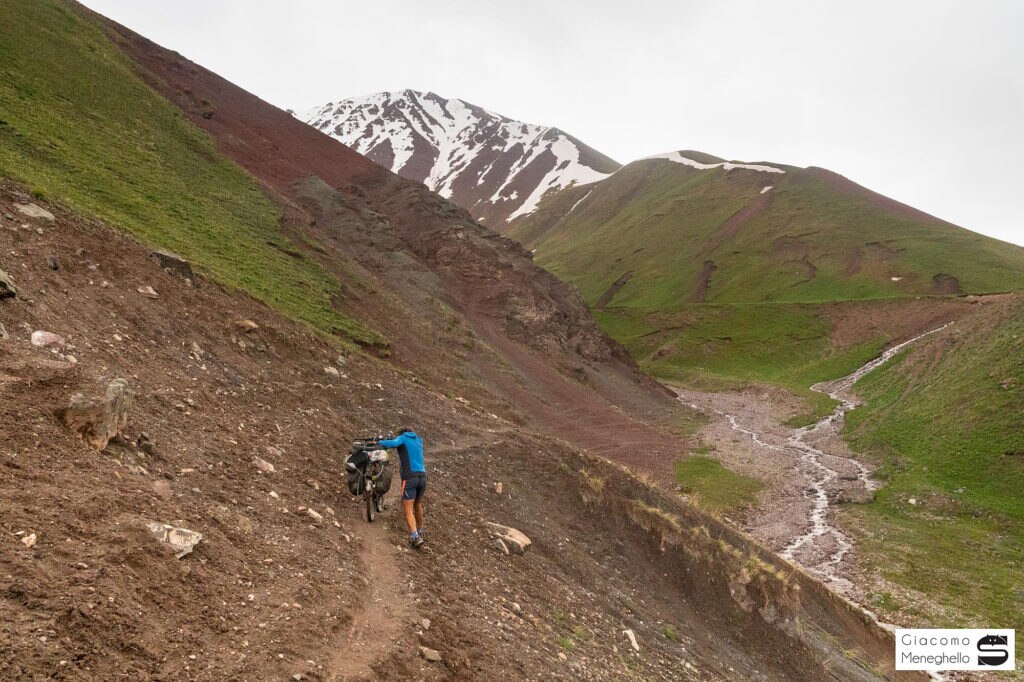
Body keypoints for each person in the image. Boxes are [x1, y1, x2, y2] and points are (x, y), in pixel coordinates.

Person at [376, 427, 427, 549]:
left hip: (410, 478)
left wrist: (379, 442)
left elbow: (393, 443)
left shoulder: (403, 438)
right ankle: (420, 532)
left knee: (408, 509)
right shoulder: (418, 440)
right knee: (418, 504)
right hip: (422, 476)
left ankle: (415, 537)